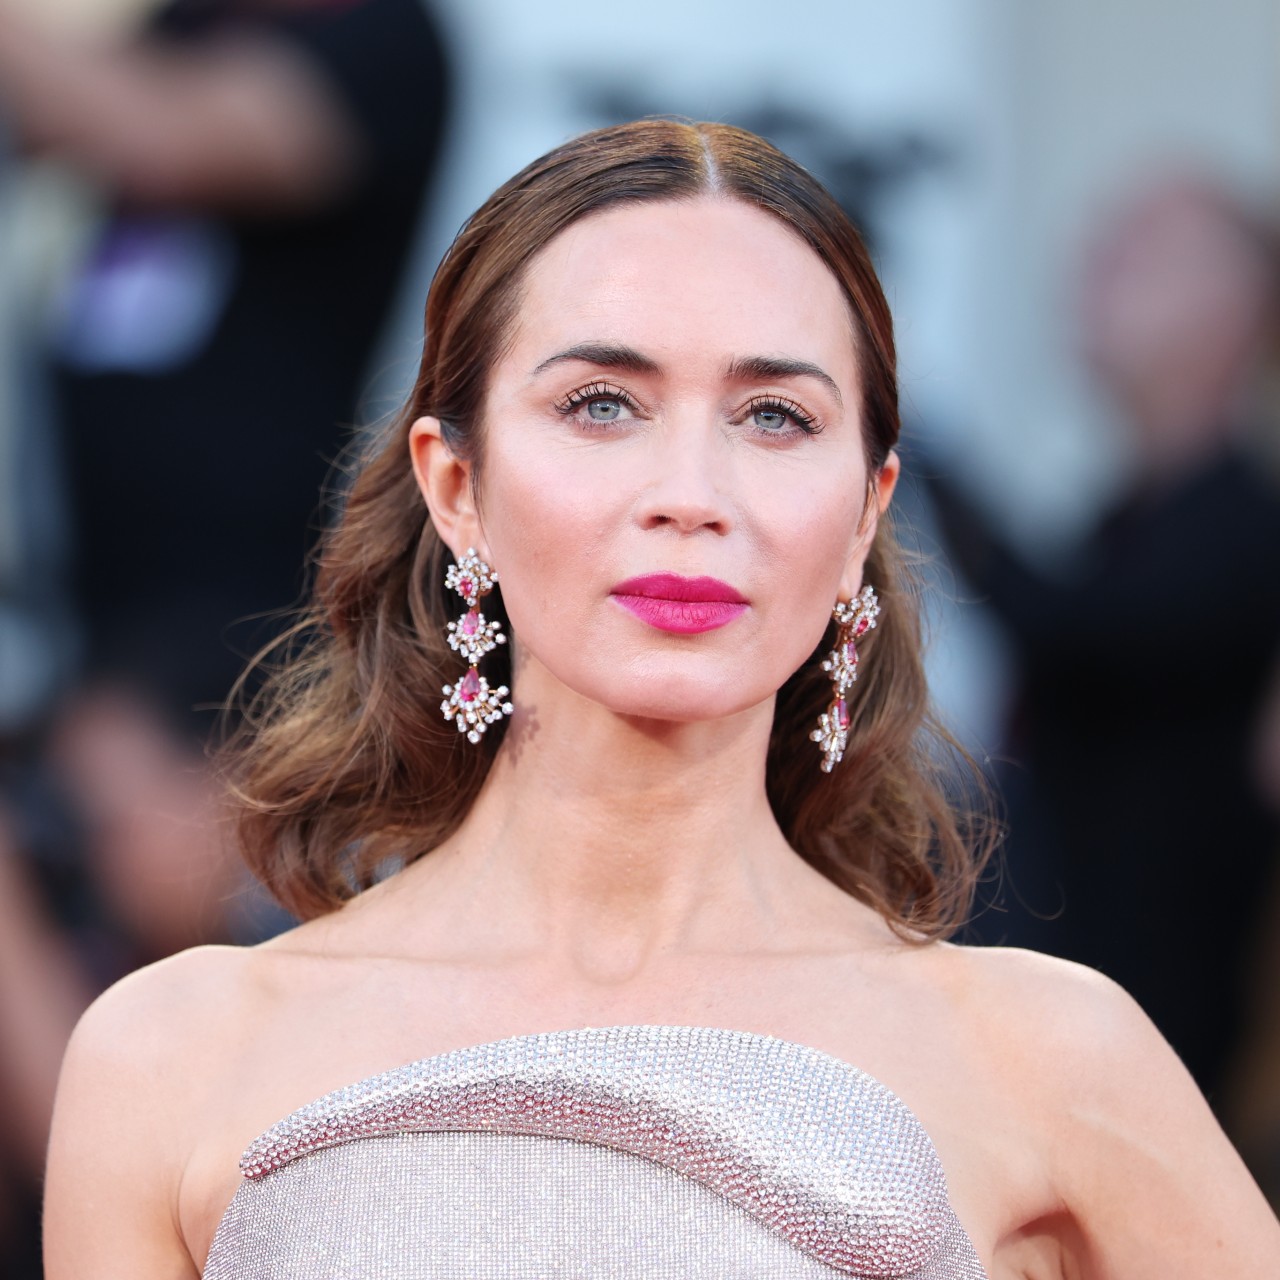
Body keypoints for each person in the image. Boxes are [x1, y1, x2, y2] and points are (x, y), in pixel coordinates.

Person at [42, 121, 1279, 1278]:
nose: (690, 491)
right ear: (454, 482)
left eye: (774, 416)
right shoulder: (174, 1053)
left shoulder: (1044, 1054)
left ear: (863, 510)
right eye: (602, 404)